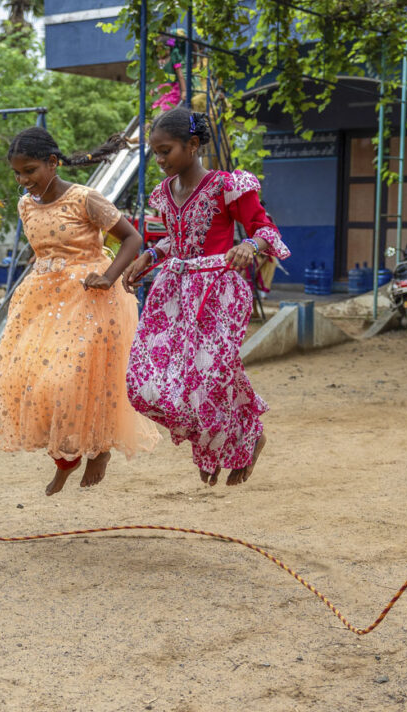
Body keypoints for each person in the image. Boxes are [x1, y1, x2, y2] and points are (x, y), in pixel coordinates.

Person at [122, 107, 290, 488]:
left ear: (192, 145)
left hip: (218, 292)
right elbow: (174, 238)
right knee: (147, 384)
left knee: (209, 377)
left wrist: (249, 244)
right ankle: (216, 440)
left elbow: (264, 227)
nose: (160, 160)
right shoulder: (163, 194)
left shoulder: (226, 186)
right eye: (156, 153)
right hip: (172, 294)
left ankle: (229, 444)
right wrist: (149, 256)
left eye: (166, 151)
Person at [0, 126, 160, 496]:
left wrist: (108, 276)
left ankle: (99, 449)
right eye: (17, 174)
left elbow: (133, 238)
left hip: (91, 299)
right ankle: (65, 459)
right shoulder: (25, 205)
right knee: (31, 381)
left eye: (30, 171)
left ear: (52, 163)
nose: (23, 180)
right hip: (41, 301)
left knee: (69, 380)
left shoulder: (86, 199)